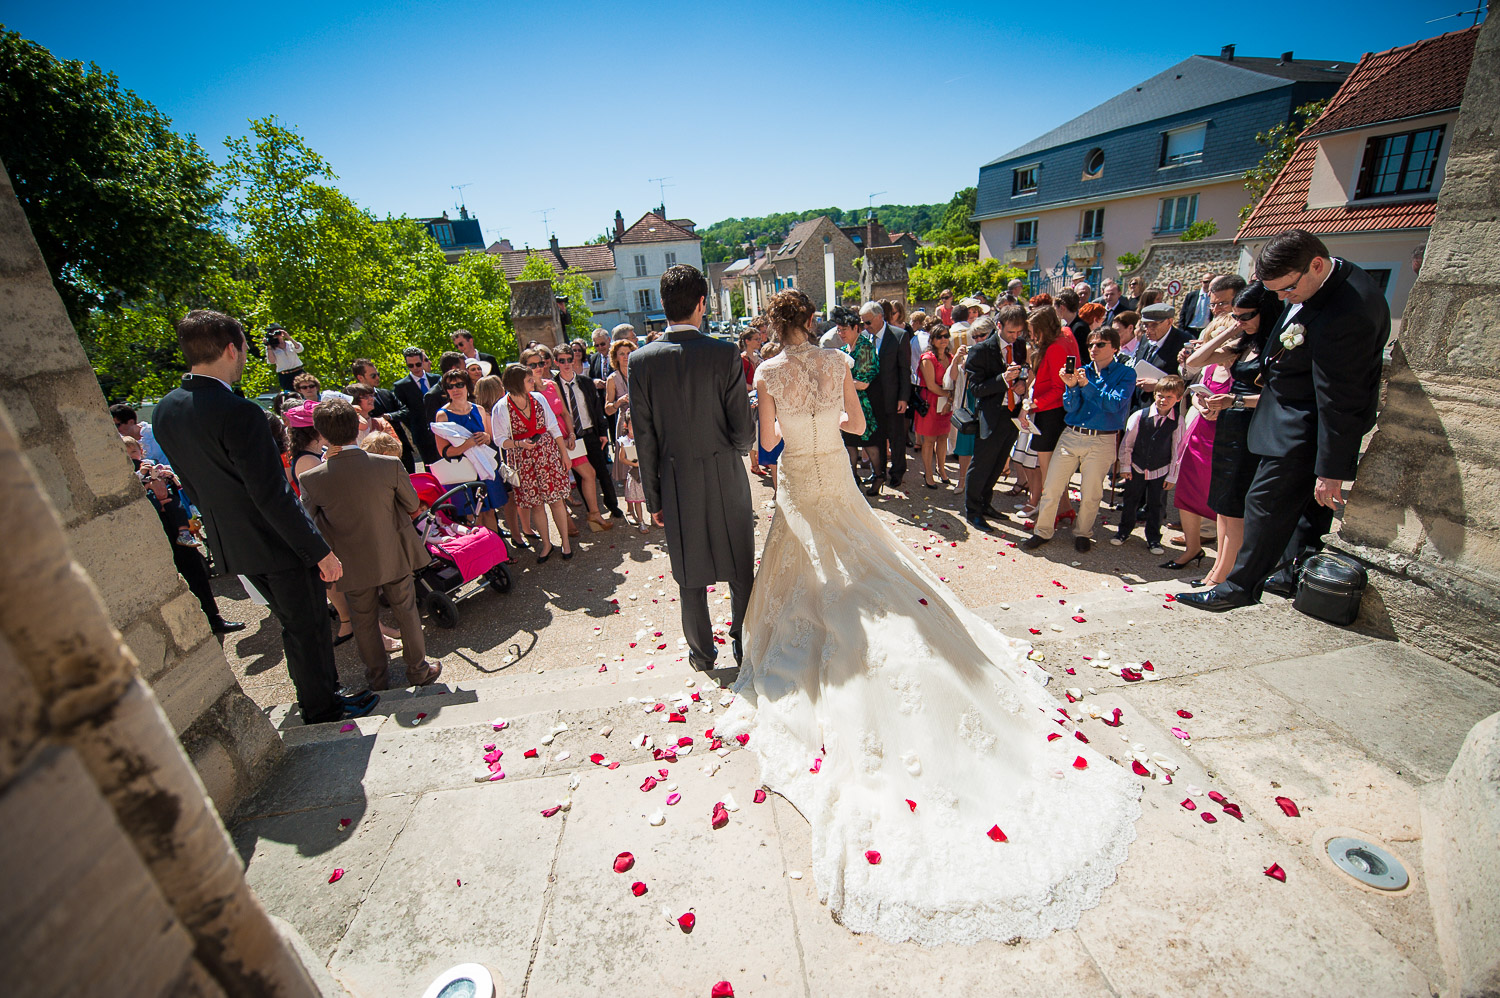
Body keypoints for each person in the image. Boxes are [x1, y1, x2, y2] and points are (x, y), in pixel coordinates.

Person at [722, 286, 1140, 946]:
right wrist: (827, 414)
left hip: (801, 480)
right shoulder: (836, 361)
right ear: (812, 321)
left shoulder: (770, 372)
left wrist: (786, 427)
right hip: (835, 471)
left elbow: (769, 441)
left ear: (775, 326)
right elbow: (859, 426)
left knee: (810, 573)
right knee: (868, 568)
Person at [153, 310, 375, 725]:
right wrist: (318, 551)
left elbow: (194, 484)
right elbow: (272, 494)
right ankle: (322, 705)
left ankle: (325, 695)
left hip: (232, 543)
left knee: (295, 624)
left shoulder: (166, 409)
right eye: (243, 351)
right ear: (231, 348)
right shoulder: (239, 413)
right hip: (278, 544)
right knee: (307, 625)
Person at [1178, 230, 1390, 610]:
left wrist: (1331, 469)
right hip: (1286, 415)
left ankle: (1238, 588)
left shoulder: (1349, 311)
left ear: (1316, 265)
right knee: (1300, 511)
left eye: (1287, 289)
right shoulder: (1319, 282)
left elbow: (1341, 396)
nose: (1281, 298)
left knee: (1264, 502)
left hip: (1304, 426)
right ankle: (1291, 574)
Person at [629, 264, 755, 671]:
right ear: (702, 303)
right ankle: (744, 644)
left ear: (663, 305)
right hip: (725, 474)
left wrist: (654, 497)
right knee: (739, 568)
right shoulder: (724, 352)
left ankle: (702, 654)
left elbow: (644, 437)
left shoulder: (640, 361)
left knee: (689, 574)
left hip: (677, 481)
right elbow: (742, 433)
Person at [298, 399, 441, 691]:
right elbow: (413, 504)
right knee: (406, 611)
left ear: (322, 435)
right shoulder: (388, 464)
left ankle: (377, 678)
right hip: (393, 551)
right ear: (357, 427)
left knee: (363, 621)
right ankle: (418, 670)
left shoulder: (312, 478)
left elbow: (308, 522)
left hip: (350, 561)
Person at [1179, 282, 1283, 588]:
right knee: (1223, 504)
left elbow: (1276, 395)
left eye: (1247, 315)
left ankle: (1223, 575)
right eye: (1236, 315)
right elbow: (1195, 361)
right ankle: (1216, 571)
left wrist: (1234, 401)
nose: (1242, 321)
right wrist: (1230, 331)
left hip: (1250, 427)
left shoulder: (1271, 346)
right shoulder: (1243, 345)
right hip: (1228, 426)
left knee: (1235, 505)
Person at [1024, 326, 1136, 553]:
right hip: (1072, 434)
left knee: (1092, 492)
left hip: (1102, 439)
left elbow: (1114, 405)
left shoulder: (1125, 374)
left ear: (1114, 348)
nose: (1094, 348)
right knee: (1052, 486)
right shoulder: (1081, 370)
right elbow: (1070, 406)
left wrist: (1086, 386)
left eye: (1100, 344)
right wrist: (1072, 387)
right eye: (1091, 344)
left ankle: (1083, 533)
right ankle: (1042, 531)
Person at [493, 364, 573, 562]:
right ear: (517, 383)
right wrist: (519, 443)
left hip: (547, 454)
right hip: (523, 459)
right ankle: (546, 544)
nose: (533, 382)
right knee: (536, 505)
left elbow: (553, 427)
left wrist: (564, 454)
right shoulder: (501, 407)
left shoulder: (538, 398)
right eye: (529, 380)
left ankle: (565, 542)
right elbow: (499, 439)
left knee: (556, 500)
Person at [963, 309, 1028, 529]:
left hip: (1011, 413)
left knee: (999, 462)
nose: (1015, 336)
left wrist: (1022, 384)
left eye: (1019, 331)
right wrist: (1002, 379)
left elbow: (1024, 372)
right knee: (982, 464)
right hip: (990, 414)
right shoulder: (981, 350)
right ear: (999, 326)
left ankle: (985, 503)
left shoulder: (1019, 346)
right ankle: (973, 511)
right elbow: (976, 388)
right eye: (1011, 331)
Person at [1111, 376, 1186, 554]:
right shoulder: (1139, 416)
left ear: (1179, 399)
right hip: (1137, 467)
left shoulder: (1178, 421)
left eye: (1169, 397)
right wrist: (1126, 467)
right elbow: (1127, 444)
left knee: (1157, 505)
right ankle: (1123, 531)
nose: (1163, 400)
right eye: (1160, 395)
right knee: (1131, 501)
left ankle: (1153, 538)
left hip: (1160, 470)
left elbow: (1177, 450)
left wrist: (1172, 475)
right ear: (1154, 394)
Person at [555, 345, 624, 531]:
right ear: (556, 363)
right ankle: (591, 512)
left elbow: (596, 409)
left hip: (590, 433)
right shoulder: (553, 386)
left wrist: (602, 433)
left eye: (569, 359)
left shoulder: (585, 382)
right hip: (571, 438)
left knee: (602, 472)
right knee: (582, 477)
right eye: (562, 360)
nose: (566, 364)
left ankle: (613, 506)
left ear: (574, 360)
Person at [1021, 306, 1079, 521]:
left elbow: (1058, 388)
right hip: (1057, 412)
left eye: (1034, 331)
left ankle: (1050, 514)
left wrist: (1032, 404)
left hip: (1051, 413)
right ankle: (1065, 508)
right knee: (1056, 469)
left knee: (1048, 470)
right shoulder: (1067, 336)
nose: (1033, 336)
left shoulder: (1055, 348)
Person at [433, 369, 503, 537]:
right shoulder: (442, 415)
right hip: (463, 472)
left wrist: (485, 437)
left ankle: (498, 554)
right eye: (450, 386)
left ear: (467, 386)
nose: (455, 389)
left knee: (490, 513)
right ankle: (483, 558)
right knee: (474, 518)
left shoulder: (478, 409)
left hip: (484, 468)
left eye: (459, 384)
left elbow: (489, 437)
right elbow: (444, 451)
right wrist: (468, 444)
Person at [858, 300, 911, 495]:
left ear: (880, 317)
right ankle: (877, 471)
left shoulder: (899, 336)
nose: (865, 326)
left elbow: (905, 370)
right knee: (875, 438)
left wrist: (903, 398)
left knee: (896, 438)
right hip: (871, 399)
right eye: (863, 323)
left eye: (868, 322)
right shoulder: (863, 338)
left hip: (892, 398)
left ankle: (897, 472)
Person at [833, 306, 878, 472]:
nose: (841, 333)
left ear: (856, 328)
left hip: (866, 404)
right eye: (838, 330)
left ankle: (878, 477)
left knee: (870, 444)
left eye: (844, 330)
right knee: (850, 444)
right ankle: (853, 479)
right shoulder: (844, 350)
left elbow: (863, 383)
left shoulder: (865, 347)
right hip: (849, 404)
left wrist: (837, 383)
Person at [914, 323, 954, 488]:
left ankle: (941, 469)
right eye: (939, 336)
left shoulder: (950, 357)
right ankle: (928, 474)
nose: (943, 339)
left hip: (946, 403)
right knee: (929, 440)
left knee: (943, 437)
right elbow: (931, 385)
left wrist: (950, 400)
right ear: (932, 339)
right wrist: (950, 396)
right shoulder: (927, 358)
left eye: (946, 336)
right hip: (930, 402)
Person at [1132, 303, 1189, 404]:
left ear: (1169, 322)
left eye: (1154, 325)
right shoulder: (1145, 338)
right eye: (1145, 325)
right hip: (1139, 403)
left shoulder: (1183, 343)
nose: (1148, 330)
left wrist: (1160, 385)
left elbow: (1187, 381)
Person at [394, 347, 439, 466]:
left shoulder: (437, 379)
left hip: (441, 428)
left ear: (423, 362)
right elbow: (404, 411)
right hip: (421, 434)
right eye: (411, 365)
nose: (415, 368)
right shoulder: (401, 386)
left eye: (418, 364)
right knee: (430, 467)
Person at [614, 408, 648, 531]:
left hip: (646, 473)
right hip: (634, 474)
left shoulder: (643, 438)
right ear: (626, 425)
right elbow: (621, 458)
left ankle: (654, 518)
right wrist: (634, 464)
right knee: (637, 500)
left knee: (650, 496)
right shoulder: (625, 441)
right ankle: (641, 521)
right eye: (631, 425)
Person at [264, 323, 306, 392]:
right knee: (291, 395)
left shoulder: (289, 343)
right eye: (274, 332)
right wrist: (268, 345)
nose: (277, 334)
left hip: (298, 371)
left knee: (306, 390)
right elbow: (272, 361)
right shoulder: (271, 348)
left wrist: (289, 337)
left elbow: (300, 349)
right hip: (285, 375)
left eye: (278, 332)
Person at [1055, 288, 1089, 357]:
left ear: (1062, 308)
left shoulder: (1079, 328)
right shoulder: (1069, 325)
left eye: (1055, 308)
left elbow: (1081, 355)